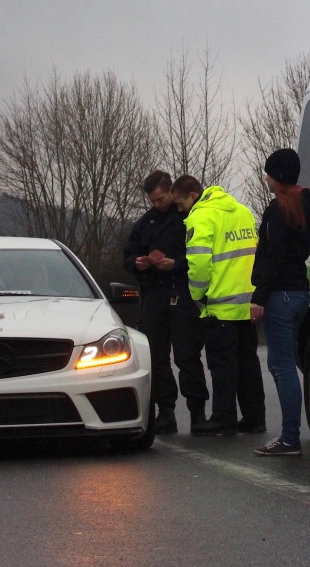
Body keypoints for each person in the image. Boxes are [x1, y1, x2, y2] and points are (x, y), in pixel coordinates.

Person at [172, 174, 266, 436]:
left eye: (180, 205)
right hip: (248, 303)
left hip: (220, 304)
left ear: (192, 196)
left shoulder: (201, 216)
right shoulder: (242, 211)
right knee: (248, 362)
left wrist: (197, 295)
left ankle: (223, 418)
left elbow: (199, 263)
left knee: (223, 365)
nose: (180, 211)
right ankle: (255, 417)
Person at [124, 170, 209, 435]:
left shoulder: (189, 217)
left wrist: (176, 264)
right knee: (157, 358)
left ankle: (198, 413)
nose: (157, 204)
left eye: (160, 199)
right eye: (152, 201)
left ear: (170, 191)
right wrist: (138, 264)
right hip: (154, 296)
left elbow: (201, 255)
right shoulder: (145, 223)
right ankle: (166, 412)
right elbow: (127, 256)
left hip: (182, 293)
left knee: (187, 356)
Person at [249, 148, 310, 457]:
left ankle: (290, 438)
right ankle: (290, 435)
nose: (265, 178)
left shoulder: (278, 211)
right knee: (282, 364)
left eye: (268, 173)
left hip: (280, 295)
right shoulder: (305, 207)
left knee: (283, 366)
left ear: (276, 176)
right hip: (300, 293)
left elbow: (274, 258)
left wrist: (259, 297)